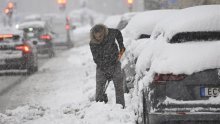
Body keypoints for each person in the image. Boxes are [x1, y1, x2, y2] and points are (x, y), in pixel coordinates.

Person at [89, 24, 126, 108]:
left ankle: (120, 107)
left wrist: (121, 45)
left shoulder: (111, 33)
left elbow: (118, 32)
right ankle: (100, 106)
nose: (99, 38)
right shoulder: (93, 43)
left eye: (101, 36)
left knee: (119, 87)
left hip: (115, 63)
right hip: (101, 67)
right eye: (97, 37)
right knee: (99, 88)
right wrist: (106, 70)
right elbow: (96, 59)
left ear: (104, 32)